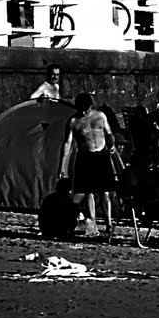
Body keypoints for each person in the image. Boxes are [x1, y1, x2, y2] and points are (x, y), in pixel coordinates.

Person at [59, 93, 118, 242]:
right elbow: (67, 144)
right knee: (89, 191)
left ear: (90, 106)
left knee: (104, 192)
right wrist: (62, 165)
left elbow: (109, 133)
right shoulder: (73, 121)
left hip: (101, 155)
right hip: (85, 157)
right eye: (81, 109)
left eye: (86, 109)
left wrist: (112, 145)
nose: (84, 112)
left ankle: (108, 223)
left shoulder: (100, 116)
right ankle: (93, 223)